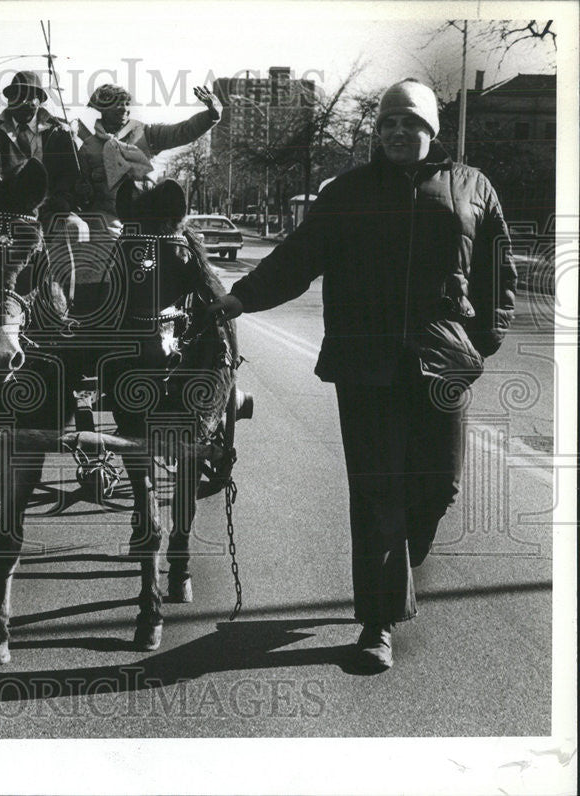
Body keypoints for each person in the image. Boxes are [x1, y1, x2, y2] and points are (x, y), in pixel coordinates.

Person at [207, 79, 516, 672]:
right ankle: (377, 623)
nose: (398, 133)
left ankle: (399, 560)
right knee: (377, 494)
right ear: (377, 133)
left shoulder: (474, 188)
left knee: (438, 486)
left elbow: (496, 272)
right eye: (388, 124)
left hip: (443, 362)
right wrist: (239, 298)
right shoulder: (347, 192)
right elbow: (297, 257)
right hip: (366, 363)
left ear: (432, 131)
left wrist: (483, 341)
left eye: (411, 124)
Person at [77, 83, 221, 234]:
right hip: (108, 222)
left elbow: (182, 132)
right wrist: (83, 190)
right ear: (102, 109)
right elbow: (80, 191)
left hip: (148, 217)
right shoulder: (88, 148)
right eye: (117, 104)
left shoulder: (146, 134)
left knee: (180, 249)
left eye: (127, 104)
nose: (125, 109)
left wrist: (212, 114)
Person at [0, 69, 82, 223]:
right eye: (17, 95)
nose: (23, 102)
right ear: (9, 100)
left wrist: (58, 202)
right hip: (1, 211)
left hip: (50, 210)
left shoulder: (60, 132)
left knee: (77, 227)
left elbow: (71, 175)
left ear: (39, 100)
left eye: (29, 97)